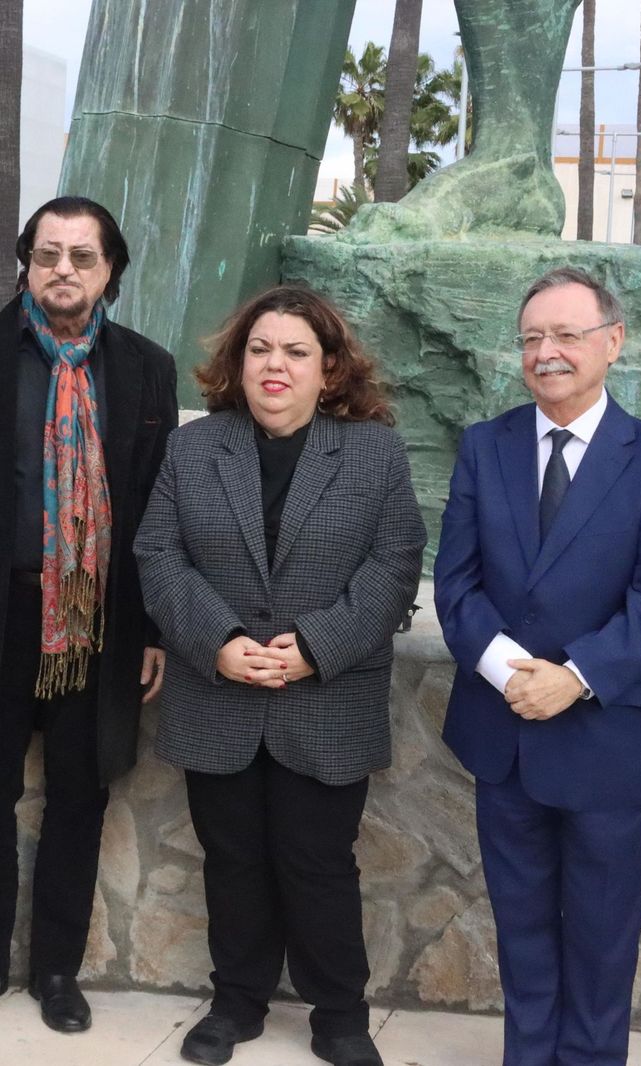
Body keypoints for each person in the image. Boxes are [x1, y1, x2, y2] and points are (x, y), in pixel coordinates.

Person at [0, 195, 177, 1034]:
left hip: (100, 622)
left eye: (83, 257)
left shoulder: (144, 368)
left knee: (79, 795)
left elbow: (160, 509)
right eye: (49, 253)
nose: (64, 269)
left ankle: (57, 969)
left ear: (111, 272)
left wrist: (156, 628)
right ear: (26, 262)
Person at [135, 286, 424, 1066]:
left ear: (328, 371)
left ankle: (340, 1013)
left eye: (296, 352)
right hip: (217, 690)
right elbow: (158, 556)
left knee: (319, 861)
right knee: (232, 859)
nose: (275, 365)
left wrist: (315, 647)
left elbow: (395, 565)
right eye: (261, 349)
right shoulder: (194, 449)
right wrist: (219, 641)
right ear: (239, 361)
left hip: (326, 695)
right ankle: (237, 1002)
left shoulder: (374, 452)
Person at [435, 267, 641, 1066]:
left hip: (605, 743)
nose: (546, 352)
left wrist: (574, 676)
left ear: (612, 343)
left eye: (566, 335)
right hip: (504, 733)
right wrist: (513, 672)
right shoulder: (487, 447)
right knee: (520, 930)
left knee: (600, 939)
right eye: (532, 338)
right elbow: (455, 585)